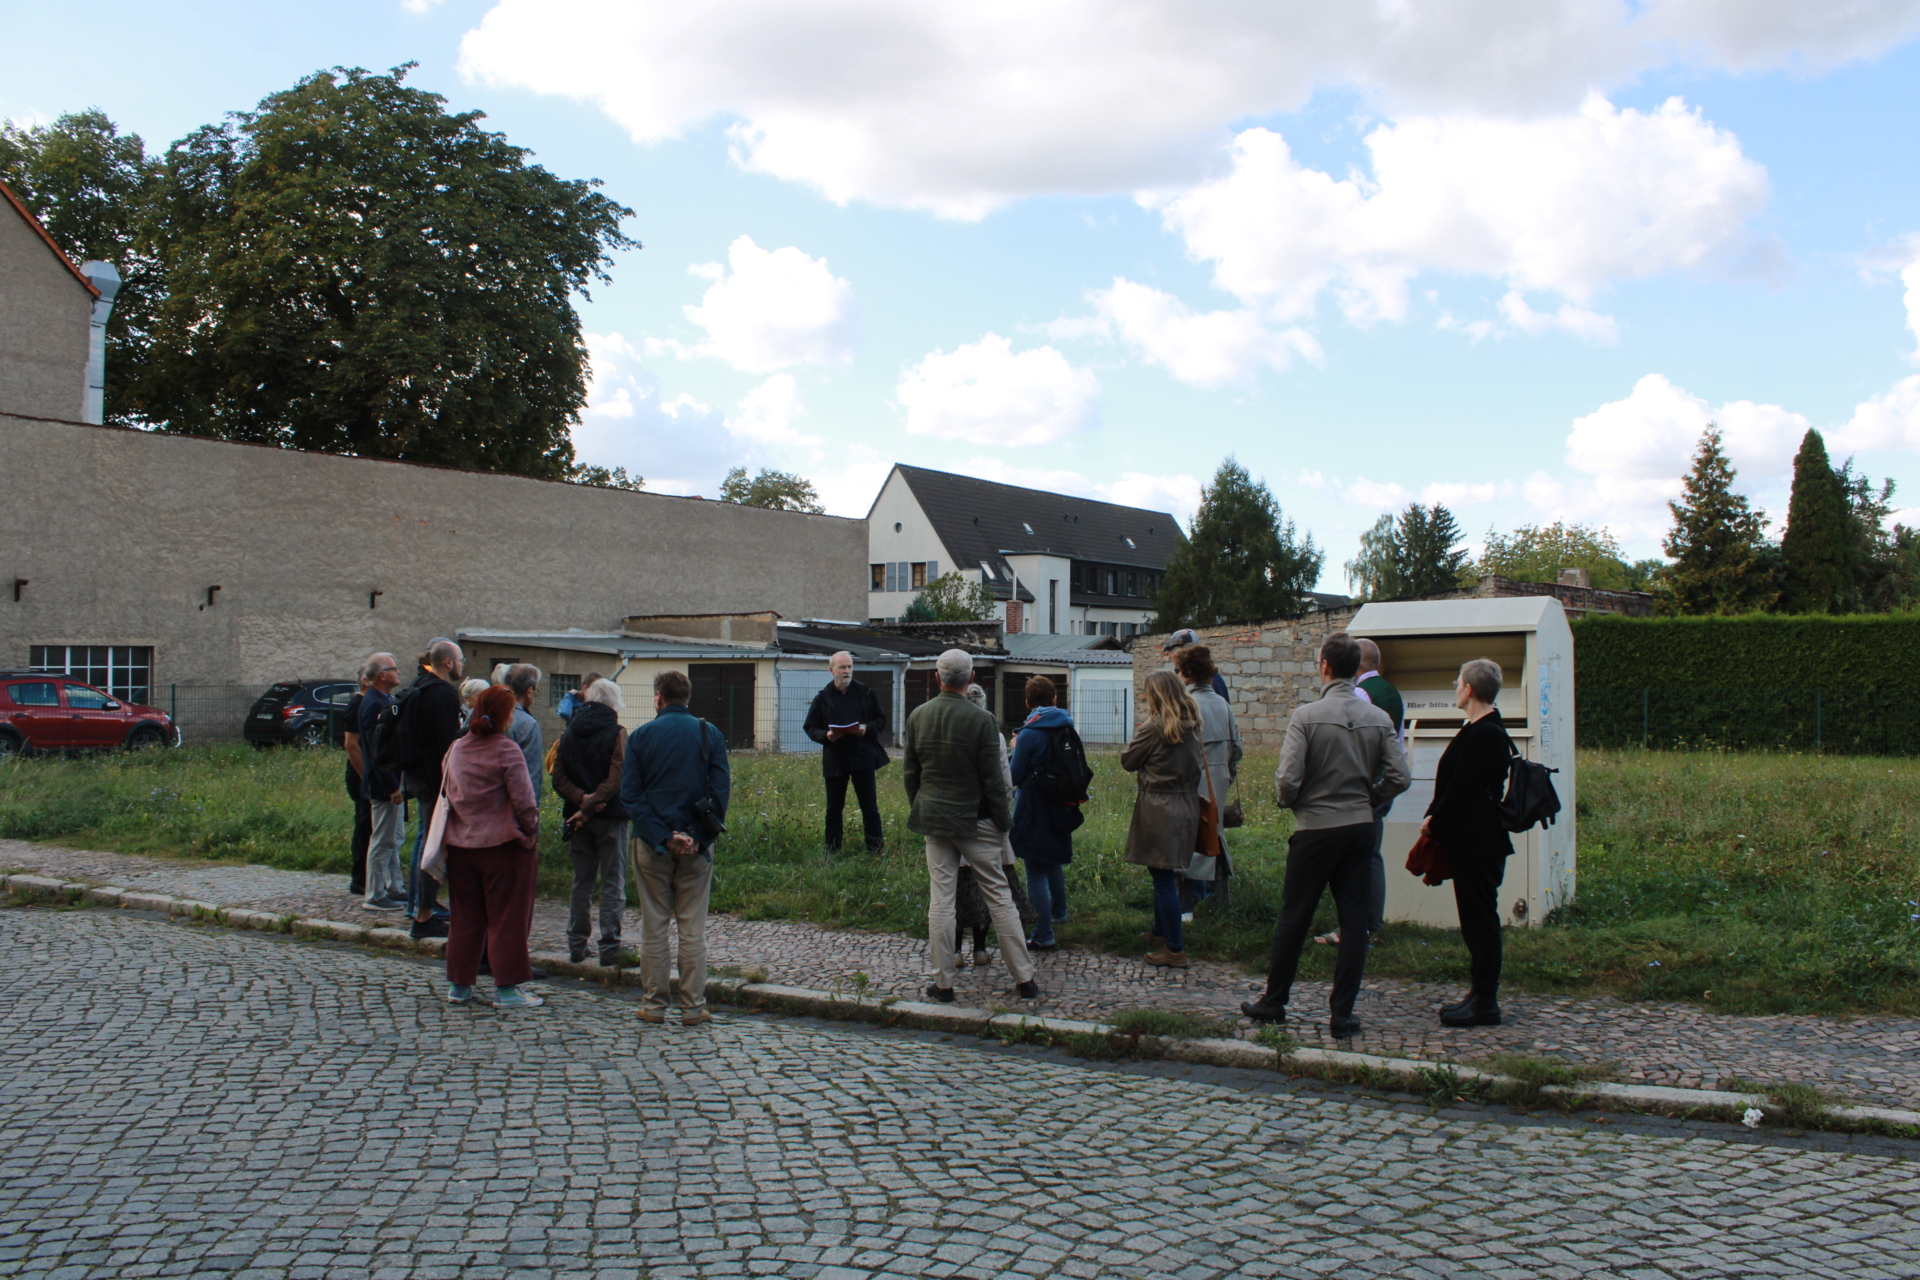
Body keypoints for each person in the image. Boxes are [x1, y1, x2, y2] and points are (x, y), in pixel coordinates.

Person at [1242, 633, 1409, 1038]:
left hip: (1316, 828)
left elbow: (1287, 778)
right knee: (1354, 923)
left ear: (1324, 667)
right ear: (1357, 669)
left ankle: (1275, 1001)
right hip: (1358, 827)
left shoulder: (1307, 716)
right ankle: (1343, 1014)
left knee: (1295, 915)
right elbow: (1400, 776)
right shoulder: (1379, 718)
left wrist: (1294, 802)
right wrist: (1371, 799)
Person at [903, 649, 1040, 1003]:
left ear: (937, 678)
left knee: (942, 901)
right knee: (999, 897)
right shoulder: (983, 721)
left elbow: (911, 775)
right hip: (978, 820)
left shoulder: (919, 716)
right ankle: (1025, 979)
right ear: (972, 678)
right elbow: (995, 781)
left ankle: (943, 983)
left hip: (936, 819)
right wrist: (1003, 822)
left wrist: (922, 806)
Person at [620, 670, 731, 1027]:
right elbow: (720, 792)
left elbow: (631, 796)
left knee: (654, 925)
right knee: (692, 928)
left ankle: (654, 1006)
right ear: (688, 698)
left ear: (658, 698)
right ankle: (693, 1006)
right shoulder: (709, 733)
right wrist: (697, 836)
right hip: (697, 847)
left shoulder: (639, 737)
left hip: (652, 845)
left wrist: (663, 836)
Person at [1423, 658, 1514, 1028]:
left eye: (1457, 681)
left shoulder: (1486, 733)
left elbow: (1463, 789)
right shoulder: (1479, 728)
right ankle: (1478, 994)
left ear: (1469, 689)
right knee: (1475, 920)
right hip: (1473, 840)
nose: (1455, 686)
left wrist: (1434, 825)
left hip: (1479, 842)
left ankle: (1485, 1001)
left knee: (1480, 922)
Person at [441, 686, 544, 1009]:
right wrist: (530, 832)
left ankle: (460, 986)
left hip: (460, 845)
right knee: (507, 918)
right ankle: (507, 990)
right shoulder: (507, 750)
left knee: (465, 918)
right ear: (507, 716)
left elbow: (446, 791)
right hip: (502, 847)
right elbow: (525, 802)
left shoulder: (456, 748)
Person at [1317, 637, 1405, 948]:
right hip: (1385, 782)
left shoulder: (1361, 694)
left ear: (1357, 665)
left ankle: (1355, 927)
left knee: (1354, 861)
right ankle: (1371, 923)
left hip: (1363, 785)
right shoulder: (1392, 692)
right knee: (1371, 855)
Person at [1121, 670, 1206, 968]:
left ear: (1155, 696)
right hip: (1186, 804)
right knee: (1165, 872)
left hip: (1159, 807)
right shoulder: (1193, 725)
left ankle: (1175, 947)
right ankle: (1160, 931)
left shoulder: (1153, 728)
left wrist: (1140, 730)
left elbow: (1128, 761)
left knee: (1162, 879)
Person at [951, 684, 1035, 966]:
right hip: (987, 818)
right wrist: (1004, 818)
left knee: (959, 888)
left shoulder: (952, 730)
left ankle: (954, 951)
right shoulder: (994, 735)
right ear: (984, 704)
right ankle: (980, 949)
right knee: (989, 888)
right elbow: (1004, 780)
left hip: (956, 817)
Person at [553, 678, 629, 966]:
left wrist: (581, 801)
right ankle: (610, 948)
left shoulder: (568, 733)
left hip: (576, 818)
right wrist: (593, 802)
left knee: (581, 882)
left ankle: (576, 945)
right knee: (613, 881)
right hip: (610, 816)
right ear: (613, 702)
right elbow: (617, 778)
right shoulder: (617, 733)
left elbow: (558, 778)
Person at [1009, 675, 1082, 952]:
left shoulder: (1028, 733)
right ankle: (1059, 913)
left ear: (1027, 703)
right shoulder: (1067, 727)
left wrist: (1015, 749)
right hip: (1061, 803)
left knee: (1035, 869)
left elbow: (1015, 777)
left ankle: (1043, 934)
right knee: (1052, 861)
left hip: (1034, 805)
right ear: (1055, 700)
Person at [402, 638, 465, 941]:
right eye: (461, 660)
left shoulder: (419, 685)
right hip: (436, 782)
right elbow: (448, 745)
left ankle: (422, 911)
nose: (462, 666)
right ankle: (423, 917)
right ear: (448, 662)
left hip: (416, 777)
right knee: (435, 848)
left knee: (427, 845)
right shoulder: (442, 694)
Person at [1177, 646, 1243, 911]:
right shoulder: (1222, 704)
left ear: (1189, 672)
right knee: (1215, 838)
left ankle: (1185, 909)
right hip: (1218, 782)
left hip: (1189, 783)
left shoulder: (1183, 705)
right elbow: (1237, 748)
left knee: (1185, 844)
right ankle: (1220, 904)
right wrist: (1225, 772)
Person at [802, 651, 888, 853]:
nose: (846, 671)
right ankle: (832, 851)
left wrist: (866, 729)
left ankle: (875, 850)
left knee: (870, 807)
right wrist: (826, 736)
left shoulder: (866, 693)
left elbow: (880, 719)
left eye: (849, 667)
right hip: (835, 758)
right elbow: (810, 726)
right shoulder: (823, 698)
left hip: (862, 756)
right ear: (832, 670)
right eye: (842, 667)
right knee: (833, 809)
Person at [357, 653, 409, 911]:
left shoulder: (385, 700)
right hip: (384, 785)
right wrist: (391, 786)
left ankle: (395, 887)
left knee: (395, 837)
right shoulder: (374, 705)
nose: (398, 672)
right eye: (394, 668)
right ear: (382, 675)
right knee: (382, 839)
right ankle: (375, 894)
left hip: (391, 781)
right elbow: (378, 750)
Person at [342, 661, 373, 898]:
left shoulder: (370, 703)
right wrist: (366, 779)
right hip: (359, 775)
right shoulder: (357, 704)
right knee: (365, 825)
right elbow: (351, 745)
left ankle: (368, 876)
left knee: (370, 826)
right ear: (365, 680)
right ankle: (360, 879)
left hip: (368, 774)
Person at [504, 664, 544, 801]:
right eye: (536, 690)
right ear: (529, 691)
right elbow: (531, 776)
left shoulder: (479, 711)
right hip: (510, 806)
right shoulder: (528, 725)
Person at [1161, 628, 1229, 700]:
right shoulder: (1214, 676)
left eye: (1171, 651)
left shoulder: (1199, 682)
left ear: (1181, 653)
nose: (1170, 657)